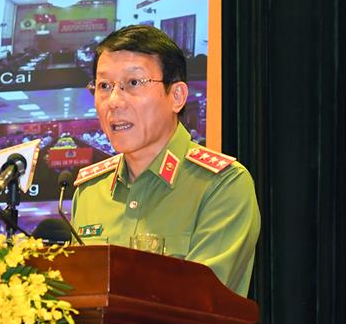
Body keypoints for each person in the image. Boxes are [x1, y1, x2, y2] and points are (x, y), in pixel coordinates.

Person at [71, 26, 259, 296]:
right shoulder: (89, 192)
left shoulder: (222, 186)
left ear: (177, 96)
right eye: (104, 86)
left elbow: (199, 302)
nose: (114, 101)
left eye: (133, 83)